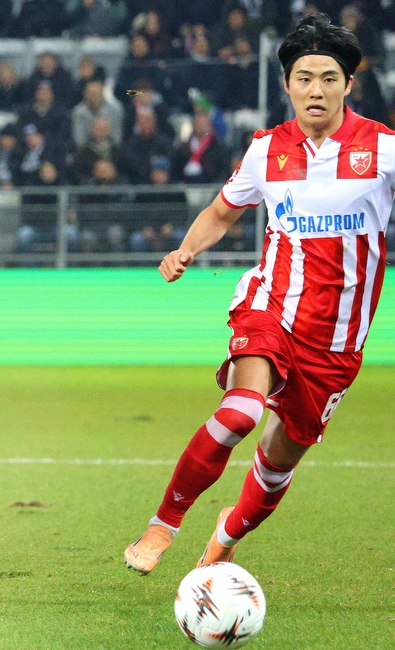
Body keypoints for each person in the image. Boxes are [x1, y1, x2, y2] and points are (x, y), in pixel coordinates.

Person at [124, 13, 392, 575]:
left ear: (348, 84)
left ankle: (226, 533)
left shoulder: (383, 150)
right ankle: (163, 524)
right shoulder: (266, 149)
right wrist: (186, 250)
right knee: (241, 411)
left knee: (277, 460)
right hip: (270, 306)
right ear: (288, 85)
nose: (315, 89)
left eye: (327, 77)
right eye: (303, 77)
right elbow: (223, 210)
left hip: (336, 342)